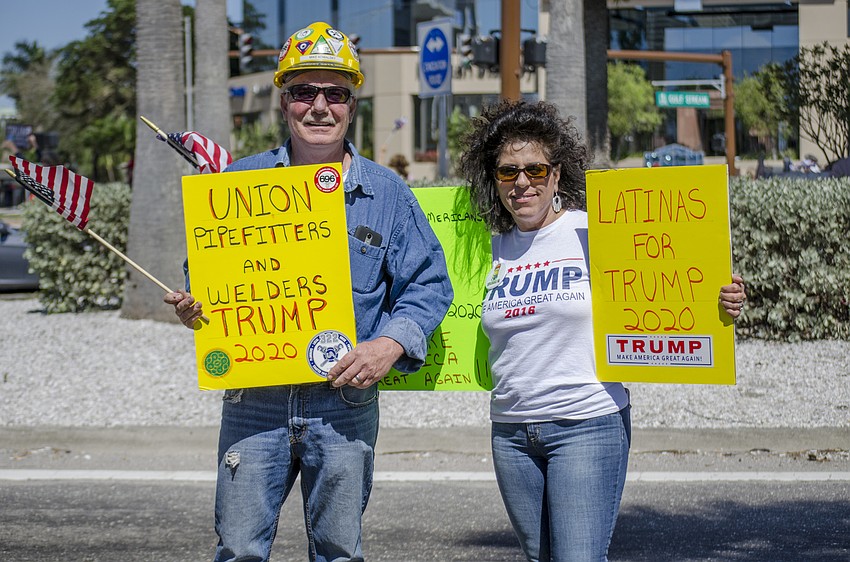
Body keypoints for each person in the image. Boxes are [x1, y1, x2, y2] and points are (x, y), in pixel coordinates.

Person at [164, 22, 452, 562]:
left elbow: (429, 284)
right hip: (254, 401)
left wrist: (388, 345)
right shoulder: (238, 186)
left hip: (345, 404)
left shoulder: (387, 193)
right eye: (303, 92)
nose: (319, 106)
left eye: (335, 93)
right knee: (239, 551)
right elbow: (202, 282)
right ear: (283, 101)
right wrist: (193, 306)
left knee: (340, 553)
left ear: (351, 104)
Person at [458, 100, 747, 562]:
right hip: (510, 432)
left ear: (557, 175)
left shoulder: (594, 232)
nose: (522, 183)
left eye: (535, 169)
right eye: (507, 172)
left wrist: (721, 301)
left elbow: (671, 280)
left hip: (587, 425)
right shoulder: (481, 251)